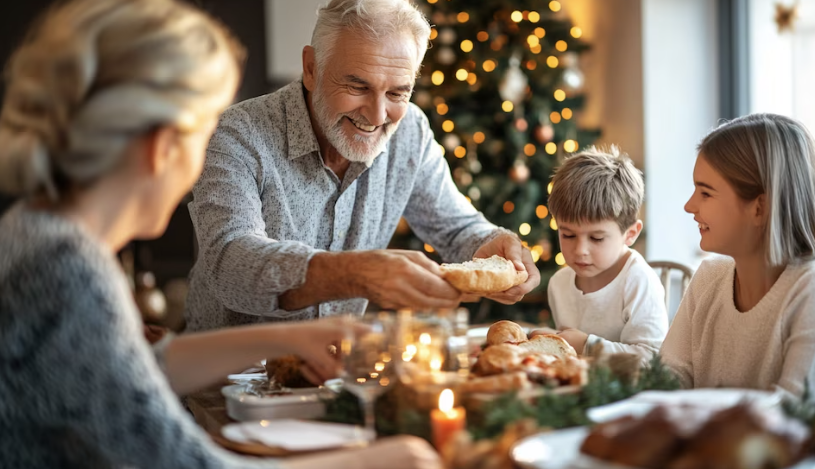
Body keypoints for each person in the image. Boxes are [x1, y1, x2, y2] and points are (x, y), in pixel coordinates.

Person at [0, 1, 441, 467]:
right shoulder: (68, 271)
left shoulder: (35, 232)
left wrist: (290, 338)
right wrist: (387, 458)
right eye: (204, 128)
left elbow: (135, 373)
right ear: (162, 146)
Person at [185, 0, 540, 332]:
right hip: (228, 381)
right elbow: (229, 262)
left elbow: (456, 228)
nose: (377, 114)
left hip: (335, 373)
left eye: (398, 93)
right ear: (311, 68)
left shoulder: (411, 130)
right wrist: (355, 273)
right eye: (357, 86)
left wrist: (492, 244)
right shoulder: (236, 134)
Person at [661, 113, 815, 402]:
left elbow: (790, 412)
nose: (689, 206)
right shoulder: (709, 276)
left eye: (705, 193)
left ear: (760, 207)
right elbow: (666, 379)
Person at [530, 147, 668, 364]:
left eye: (596, 238)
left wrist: (587, 345)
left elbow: (652, 359)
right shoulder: (559, 283)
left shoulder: (638, 281)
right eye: (568, 235)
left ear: (630, 234)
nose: (580, 250)